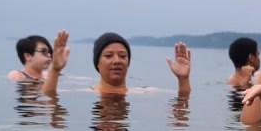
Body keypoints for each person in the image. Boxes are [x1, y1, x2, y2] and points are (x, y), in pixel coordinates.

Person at [42, 31, 192, 97]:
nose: (116, 60)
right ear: (97, 64)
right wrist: (54, 70)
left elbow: (182, 99)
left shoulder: (144, 92)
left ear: (128, 62)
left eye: (122, 56)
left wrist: (183, 79)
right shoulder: (87, 93)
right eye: (108, 55)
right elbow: (49, 96)